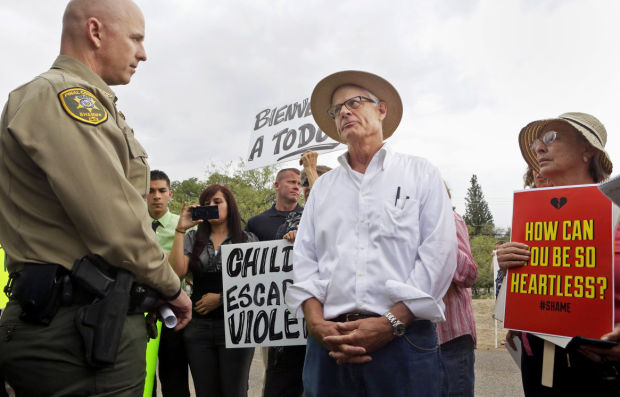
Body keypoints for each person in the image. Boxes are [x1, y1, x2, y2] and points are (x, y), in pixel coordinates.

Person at [0, 0, 192, 395]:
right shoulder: (67, 97)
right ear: (95, 32)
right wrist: (172, 288)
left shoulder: (70, 99)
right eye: (136, 38)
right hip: (76, 334)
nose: (143, 52)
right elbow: (117, 224)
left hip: (80, 323)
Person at [286, 70, 457, 397]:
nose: (345, 112)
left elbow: (439, 253)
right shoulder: (323, 189)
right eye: (337, 110)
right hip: (330, 342)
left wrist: (392, 322)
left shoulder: (419, 173)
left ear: (381, 109)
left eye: (354, 102)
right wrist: (316, 323)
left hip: (404, 340)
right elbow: (305, 258)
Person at [497, 112, 619, 395]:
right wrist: (509, 267)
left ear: (588, 149)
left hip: (605, 366)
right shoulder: (531, 218)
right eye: (538, 141)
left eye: (552, 137)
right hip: (540, 362)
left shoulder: (617, 207)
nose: (539, 147)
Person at [170, 184, 256, 397]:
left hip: (236, 327)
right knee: (205, 391)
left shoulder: (247, 240)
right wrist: (180, 229)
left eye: (217, 202)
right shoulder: (192, 238)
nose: (212, 207)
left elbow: (255, 285)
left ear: (230, 205)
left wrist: (222, 298)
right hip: (199, 329)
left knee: (235, 391)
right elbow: (176, 272)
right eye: (207, 204)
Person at [246, 168, 306, 397]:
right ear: (276, 186)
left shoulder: (311, 216)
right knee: (275, 377)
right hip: (271, 315)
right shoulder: (256, 223)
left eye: (299, 183)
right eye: (291, 182)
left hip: (306, 311)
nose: (296, 186)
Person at [148, 170, 191, 397]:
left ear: (170, 194)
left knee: (174, 377)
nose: (156, 196)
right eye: (151, 191)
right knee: (143, 379)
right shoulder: (132, 226)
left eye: (162, 191)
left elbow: (185, 267)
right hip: (139, 310)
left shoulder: (184, 225)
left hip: (175, 310)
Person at [438, 185, 477, 397]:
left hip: (450, 337)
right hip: (416, 338)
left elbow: (468, 273)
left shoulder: (450, 220)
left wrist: (436, 236)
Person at [279, 150, 332, 244]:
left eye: (317, 181)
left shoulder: (346, 213)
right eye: (306, 182)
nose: (310, 187)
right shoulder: (290, 221)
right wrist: (290, 238)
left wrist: (310, 168)